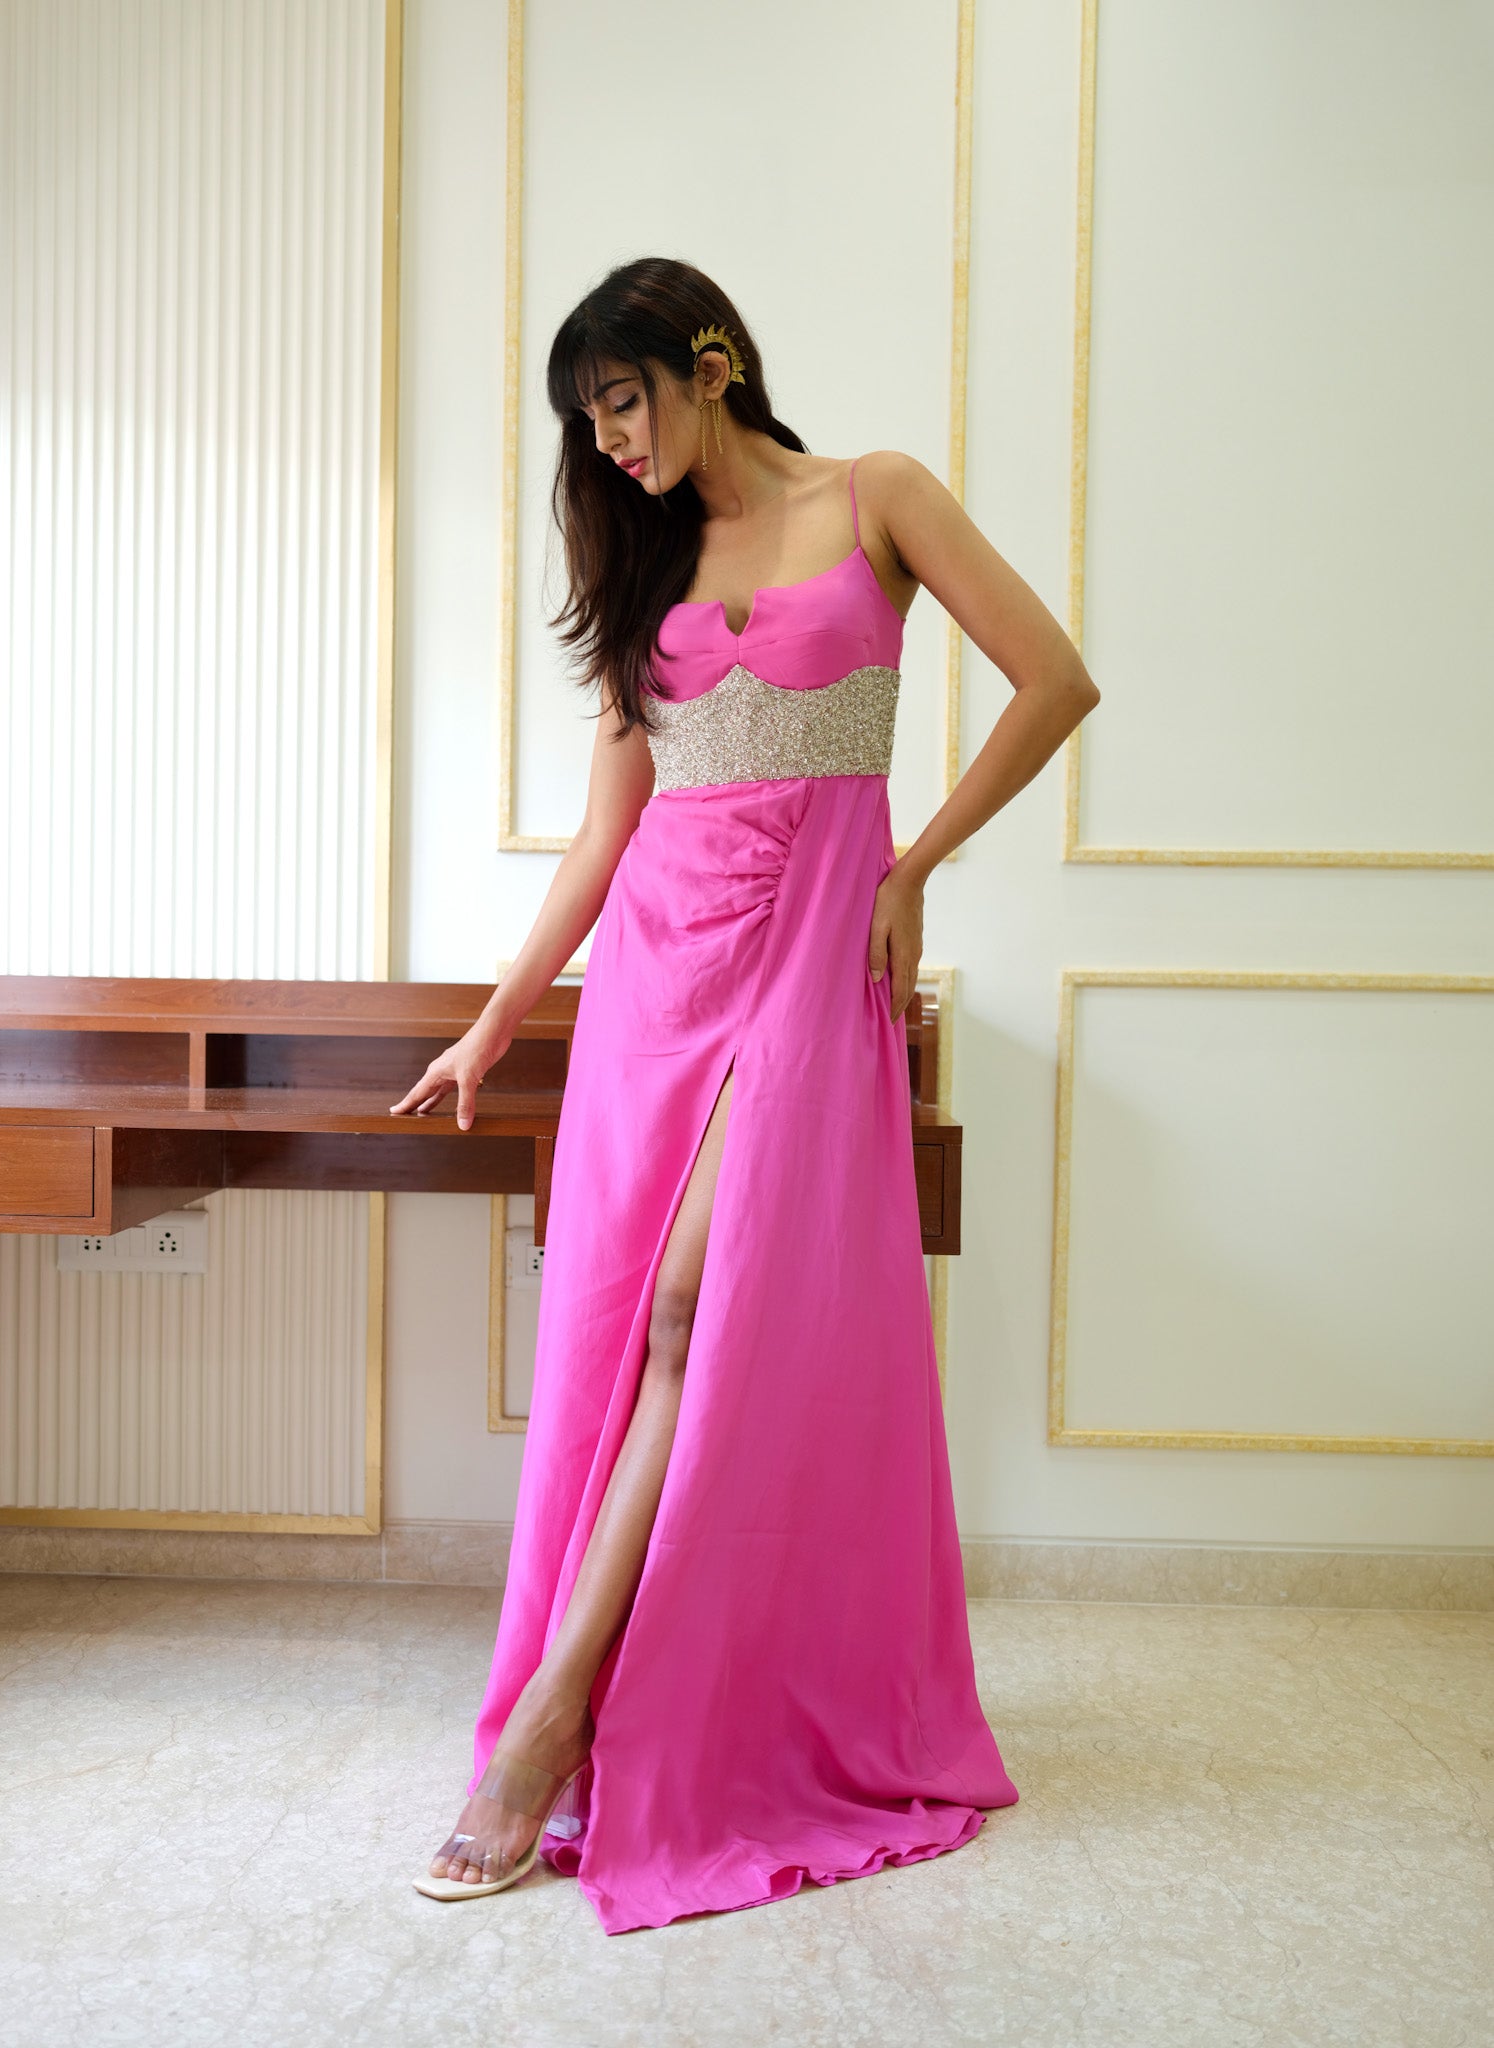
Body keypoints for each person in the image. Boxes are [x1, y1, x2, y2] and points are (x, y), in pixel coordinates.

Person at [393, 256, 1099, 1935]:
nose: (610, 443)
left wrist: (911, 867)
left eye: (622, 401)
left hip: (811, 957)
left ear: (709, 365)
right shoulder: (644, 562)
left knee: (691, 1307)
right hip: (658, 976)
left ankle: (553, 1721)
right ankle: (579, 1697)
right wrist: (496, 1022)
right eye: (587, 422)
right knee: (630, 1320)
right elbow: (605, 832)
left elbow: (1055, 680)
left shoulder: (876, 497)